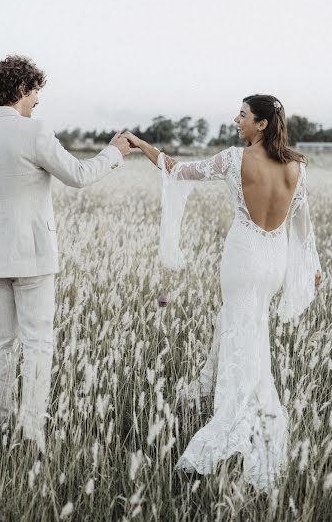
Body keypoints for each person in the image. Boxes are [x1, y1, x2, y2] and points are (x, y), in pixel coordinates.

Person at [123, 94, 321, 492]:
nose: (237, 119)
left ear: (261, 124)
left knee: (238, 328)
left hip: (244, 259)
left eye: (243, 115)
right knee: (249, 328)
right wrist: (312, 269)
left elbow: (177, 170)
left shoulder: (234, 159)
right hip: (273, 263)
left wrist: (141, 144)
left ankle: (233, 418)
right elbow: (303, 228)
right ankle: (226, 390)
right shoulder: (296, 167)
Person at [0, 55, 131, 452]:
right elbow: (80, 176)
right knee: (37, 343)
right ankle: (31, 433)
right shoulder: (34, 133)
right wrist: (114, 152)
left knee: (3, 342)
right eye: (35, 93)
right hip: (33, 255)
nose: (36, 102)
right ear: (21, 90)